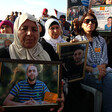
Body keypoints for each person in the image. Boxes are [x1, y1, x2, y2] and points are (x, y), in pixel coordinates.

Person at [0, 13, 64, 112]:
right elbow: (6, 102)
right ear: (16, 31)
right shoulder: (4, 55)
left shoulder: (46, 50)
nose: (29, 33)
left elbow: (52, 97)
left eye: (34, 30)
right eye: (24, 28)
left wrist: (59, 94)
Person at [71, 9, 112, 112]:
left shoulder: (101, 40)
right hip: (86, 74)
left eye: (93, 21)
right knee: (110, 82)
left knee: (109, 78)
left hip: (102, 73)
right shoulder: (77, 40)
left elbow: (104, 60)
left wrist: (99, 71)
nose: (90, 23)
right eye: (87, 21)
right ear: (82, 24)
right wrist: (93, 70)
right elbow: (77, 63)